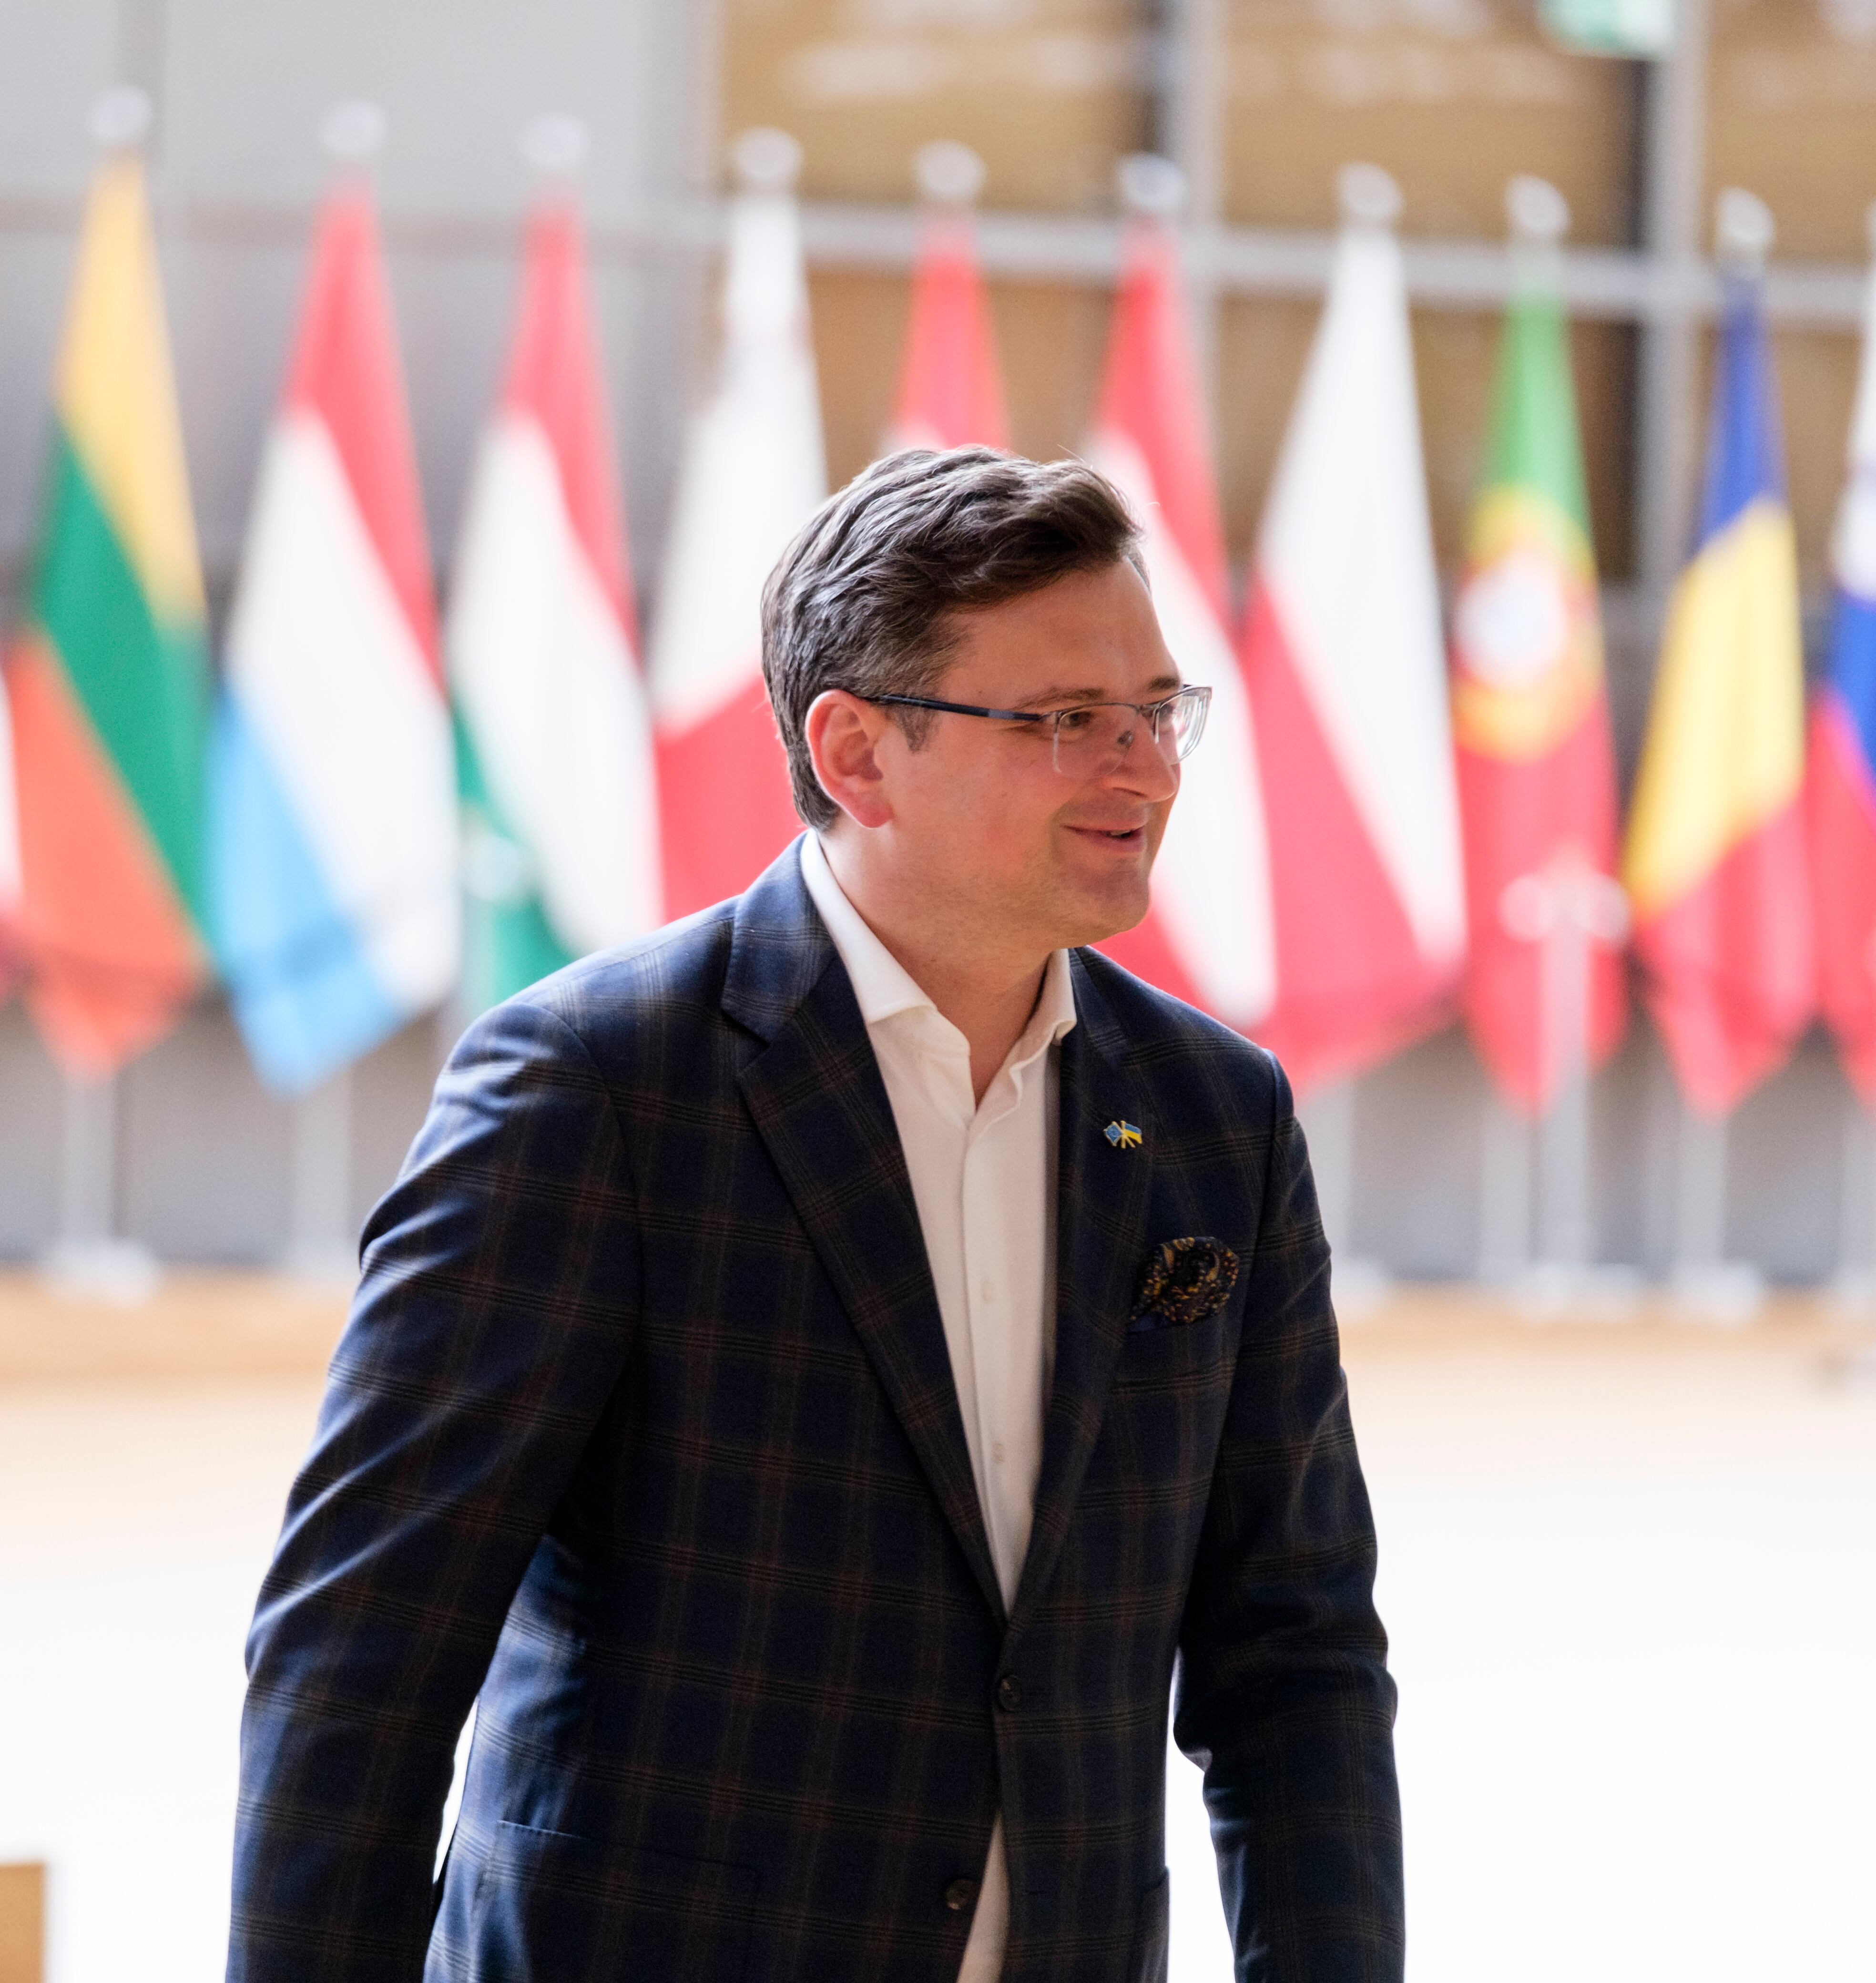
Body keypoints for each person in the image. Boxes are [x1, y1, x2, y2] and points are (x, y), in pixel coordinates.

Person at [229, 447, 1402, 1983]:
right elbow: (358, 1660)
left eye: (1156, 712)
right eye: (1065, 722)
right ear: (855, 754)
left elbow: (1293, 1654)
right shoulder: (595, 1089)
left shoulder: (1213, 1116)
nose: (1145, 769)